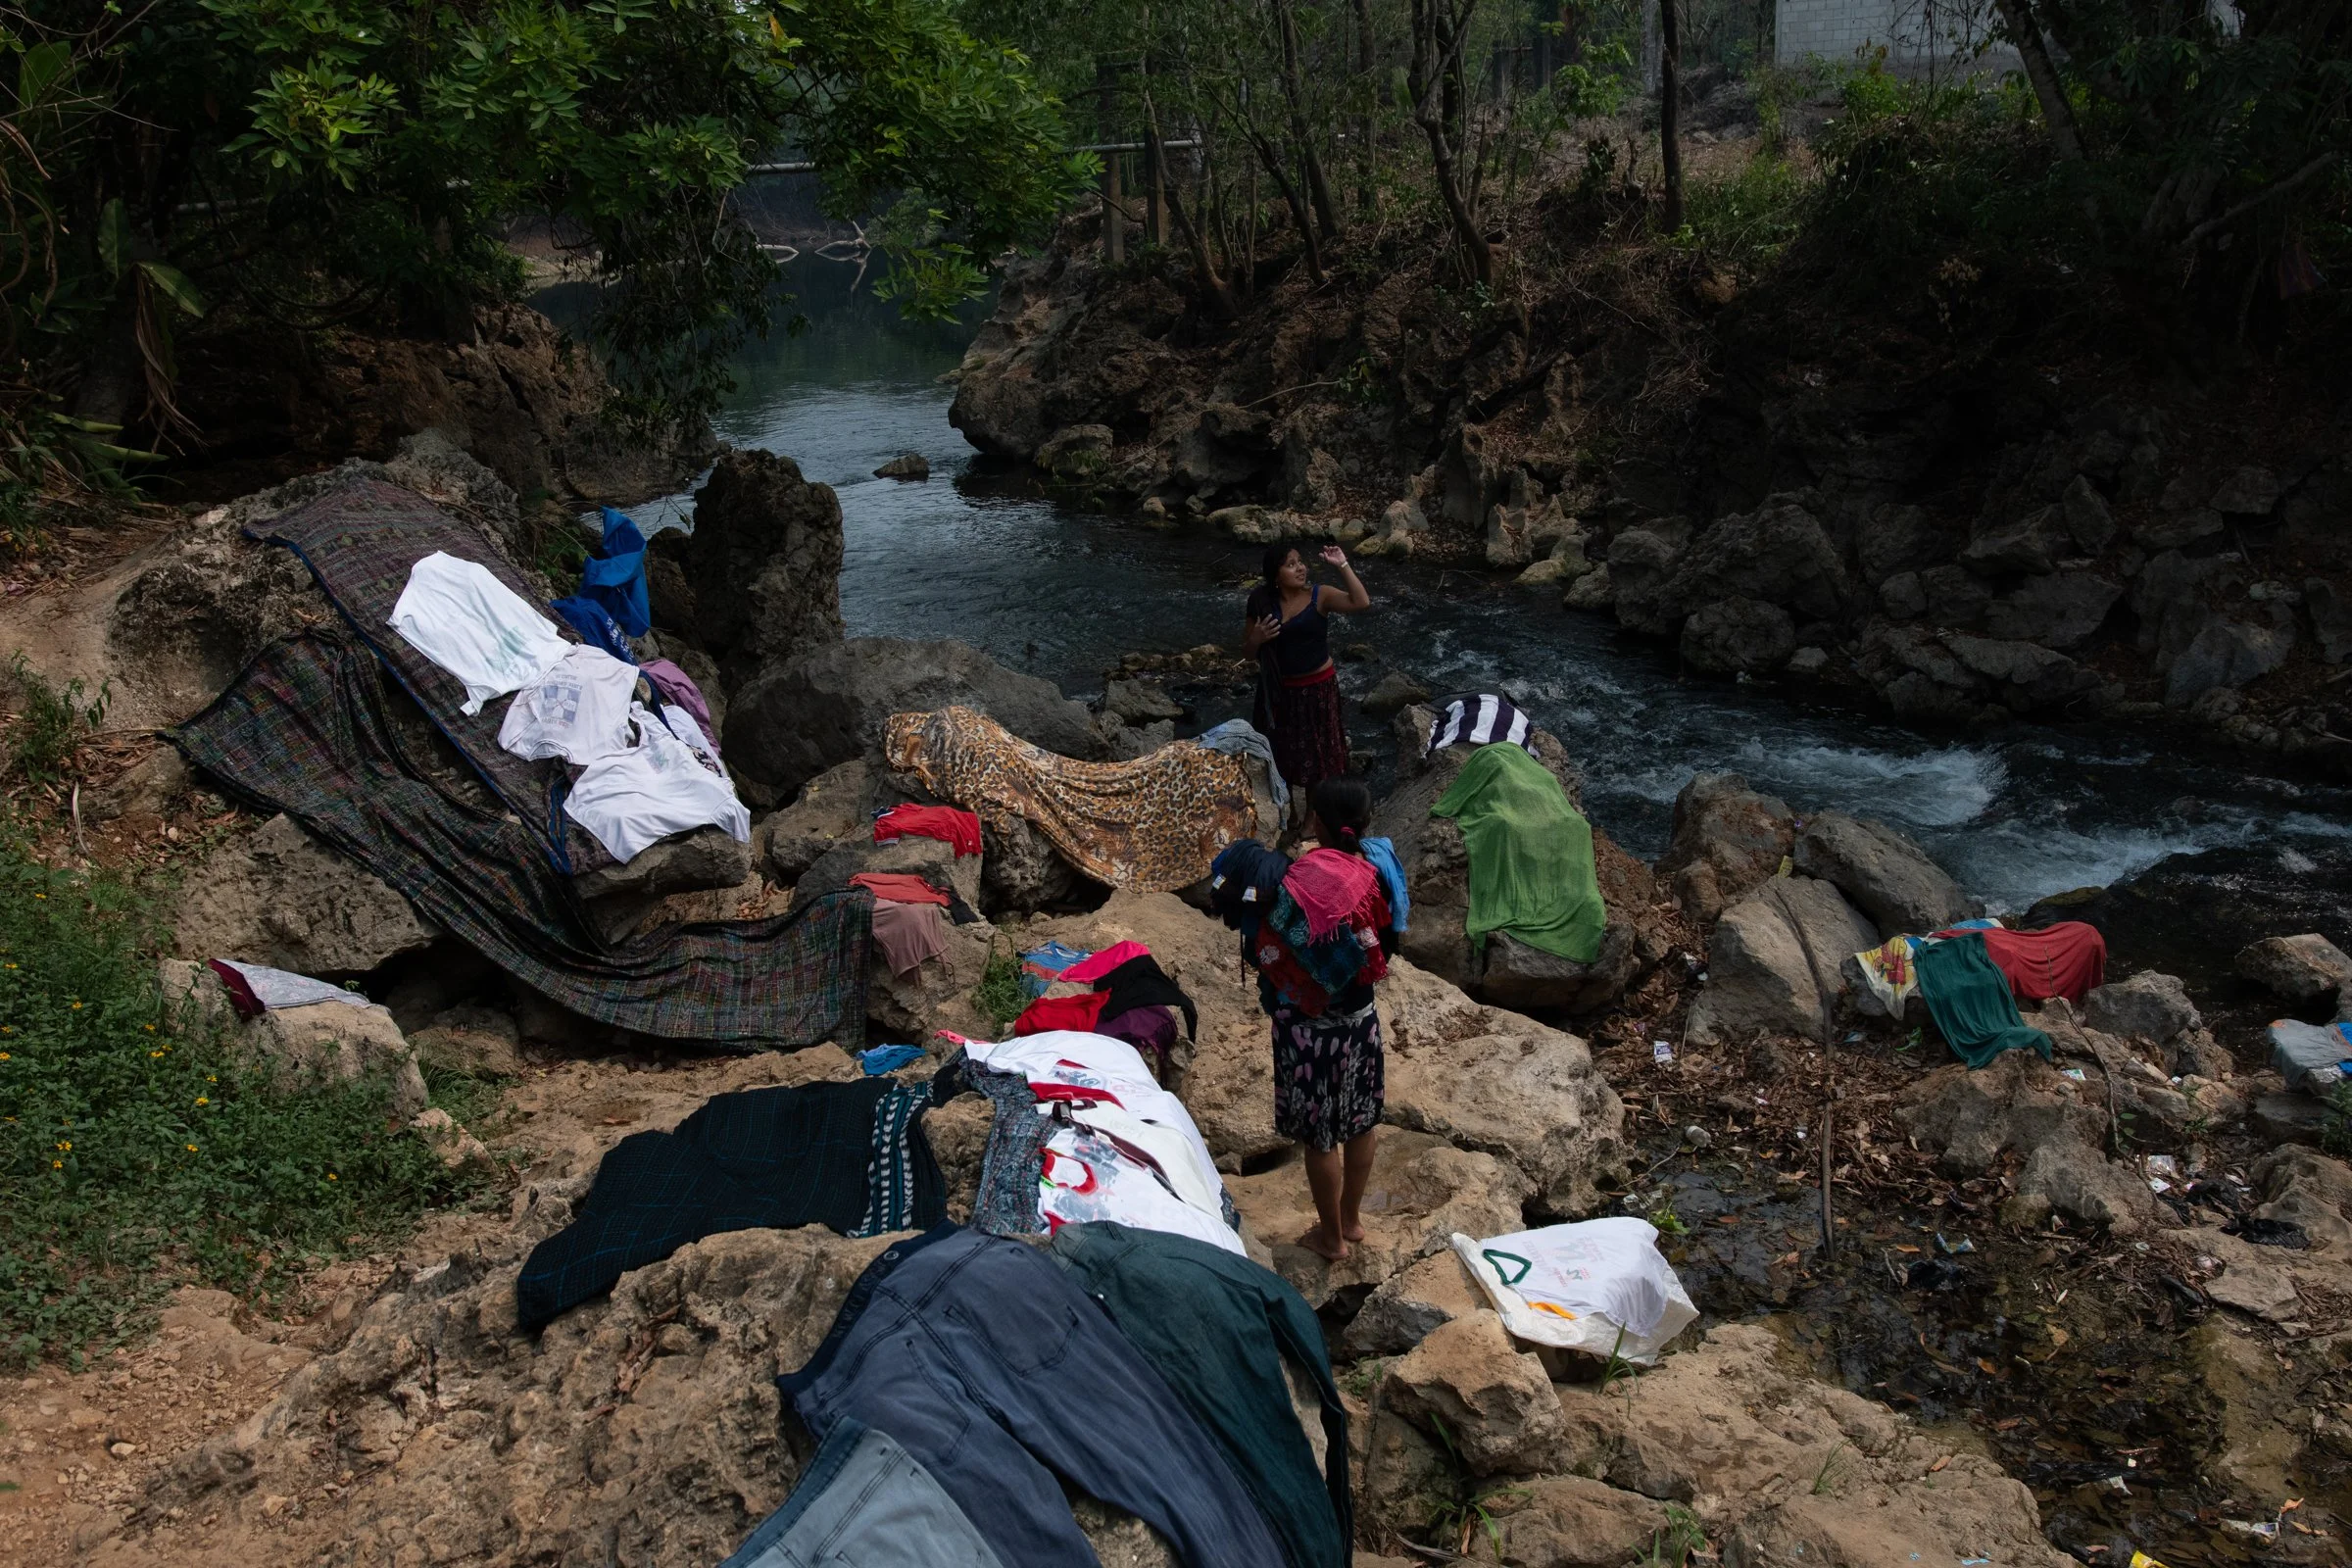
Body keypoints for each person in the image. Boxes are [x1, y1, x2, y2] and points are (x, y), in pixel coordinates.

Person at [1257, 777, 1393, 1263]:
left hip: (1309, 1030)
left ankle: (1330, 1239)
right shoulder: (1373, 873)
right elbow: (1387, 940)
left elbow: (1271, 950)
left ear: (1317, 822)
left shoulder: (1299, 879)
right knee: (1360, 1123)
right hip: (1361, 1019)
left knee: (1320, 1138)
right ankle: (1351, 1220)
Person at [1243, 543, 1370, 815]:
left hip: (1317, 691)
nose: (1300, 568)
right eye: (1291, 564)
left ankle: (1312, 818)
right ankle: (1286, 811)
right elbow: (1248, 653)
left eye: (1300, 562)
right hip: (1278, 693)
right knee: (1279, 754)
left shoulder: (1319, 596)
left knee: (1318, 758)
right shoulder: (1261, 602)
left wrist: (1342, 564)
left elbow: (1361, 601)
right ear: (1276, 575)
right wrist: (1257, 638)